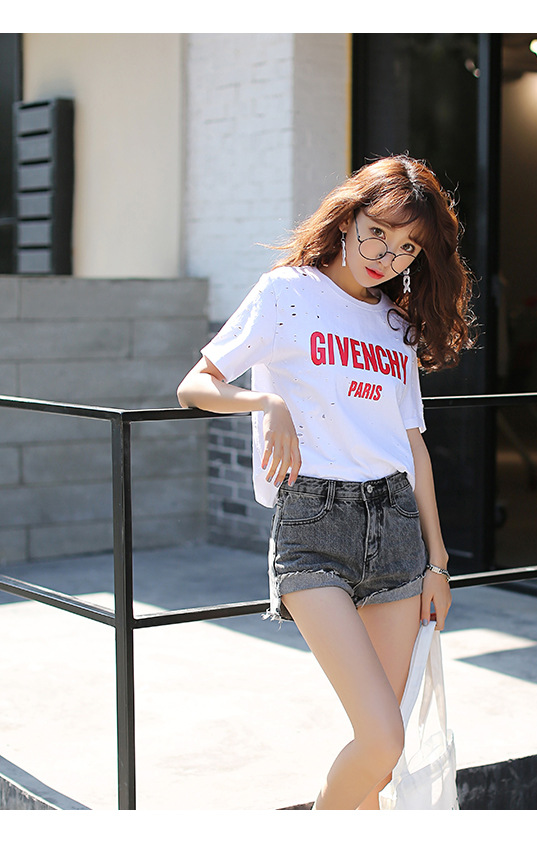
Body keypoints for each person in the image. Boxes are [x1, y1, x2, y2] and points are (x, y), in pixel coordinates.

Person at [177, 155, 475, 810]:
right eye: (377, 234)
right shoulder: (287, 293)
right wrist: (267, 404)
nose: (386, 257)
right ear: (347, 218)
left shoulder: (395, 325)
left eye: (406, 249)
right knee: (382, 738)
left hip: (396, 527)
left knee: (380, 761)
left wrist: (439, 563)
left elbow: (413, 447)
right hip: (314, 524)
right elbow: (195, 385)